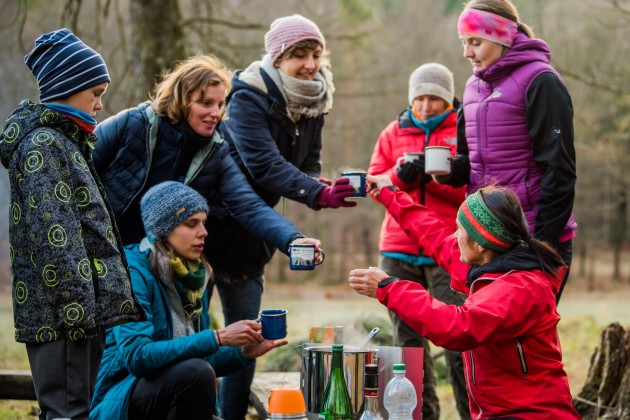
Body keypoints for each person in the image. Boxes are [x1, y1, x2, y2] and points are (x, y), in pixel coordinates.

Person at [204, 15, 354, 418]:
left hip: (254, 240)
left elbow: (308, 163)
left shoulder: (315, 100)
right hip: (206, 231)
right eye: (299, 55)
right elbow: (263, 165)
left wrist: (320, 186)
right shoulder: (247, 96)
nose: (310, 64)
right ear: (277, 57)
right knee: (197, 342)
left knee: (248, 339)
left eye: (316, 54)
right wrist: (317, 193)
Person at [349, 174, 581, 419]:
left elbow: (458, 327)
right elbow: (433, 234)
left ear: (481, 243)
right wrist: (390, 193)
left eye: (460, 230)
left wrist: (388, 288)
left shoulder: (522, 288)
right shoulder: (489, 263)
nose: (455, 236)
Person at [0, 28, 144, 419]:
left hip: (78, 313)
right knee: (66, 412)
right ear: (67, 86)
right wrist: (79, 313)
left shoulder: (66, 142)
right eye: (94, 93)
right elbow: (56, 239)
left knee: (75, 409)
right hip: (63, 315)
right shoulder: (43, 146)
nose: (100, 104)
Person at [90, 181, 286, 419]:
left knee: (196, 370)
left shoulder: (194, 275)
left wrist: (242, 352)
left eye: (204, 223)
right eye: (191, 224)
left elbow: (196, 361)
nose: (203, 232)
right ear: (163, 229)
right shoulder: (131, 272)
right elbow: (137, 356)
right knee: (196, 372)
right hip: (124, 399)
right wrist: (218, 337)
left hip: (172, 399)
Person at [435, 0, 577, 302]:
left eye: (475, 42)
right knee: (486, 344)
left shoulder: (542, 82)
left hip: (534, 239)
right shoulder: (472, 88)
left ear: (502, 37)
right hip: (487, 239)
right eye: (463, 42)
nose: (467, 52)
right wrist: (445, 171)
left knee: (528, 343)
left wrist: (542, 246)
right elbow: (469, 164)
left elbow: (560, 170)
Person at [368, 63, 469, 420]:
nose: (425, 106)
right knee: (407, 344)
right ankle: (418, 416)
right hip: (399, 248)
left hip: (451, 247)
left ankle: (472, 412)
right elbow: (374, 185)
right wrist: (399, 176)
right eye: (419, 98)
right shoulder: (392, 132)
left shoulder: (463, 129)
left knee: (459, 340)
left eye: (434, 99)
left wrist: (435, 177)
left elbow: (473, 188)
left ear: (447, 100)